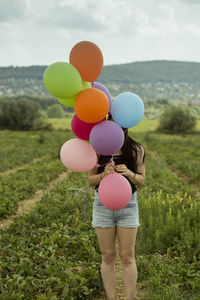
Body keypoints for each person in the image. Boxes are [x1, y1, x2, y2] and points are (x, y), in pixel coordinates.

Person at [88, 118, 145, 300]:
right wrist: (104, 174)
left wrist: (129, 173)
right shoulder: (98, 148)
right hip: (102, 206)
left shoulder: (136, 149)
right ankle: (110, 298)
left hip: (128, 206)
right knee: (108, 255)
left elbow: (141, 180)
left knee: (127, 256)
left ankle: (129, 298)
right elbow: (91, 181)